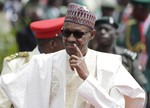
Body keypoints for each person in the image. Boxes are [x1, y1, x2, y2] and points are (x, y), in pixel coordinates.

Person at [0, 3, 145, 108]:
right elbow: (8, 86)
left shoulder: (110, 65)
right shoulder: (43, 63)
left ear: (91, 35)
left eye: (78, 34)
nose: (70, 39)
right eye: (66, 32)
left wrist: (87, 78)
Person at [0, 17, 65, 108]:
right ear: (53, 44)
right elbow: (3, 104)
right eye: (66, 42)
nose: (70, 46)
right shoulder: (16, 65)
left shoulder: (68, 64)